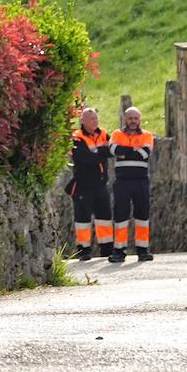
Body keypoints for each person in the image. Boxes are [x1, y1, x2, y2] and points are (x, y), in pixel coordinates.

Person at [108, 107, 154, 263]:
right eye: (130, 118)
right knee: (120, 214)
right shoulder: (116, 134)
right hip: (122, 181)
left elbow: (145, 152)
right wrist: (135, 149)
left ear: (139, 120)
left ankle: (143, 250)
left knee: (142, 214)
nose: (133, 121)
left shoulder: (147, 135)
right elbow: (113, 149)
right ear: (124, 119)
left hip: (140, 180)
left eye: (136, 118)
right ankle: (119, 251)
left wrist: (125, 151)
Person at [68, 107, 113, 261]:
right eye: (92, 118)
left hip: (100, 184)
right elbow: (83, 158)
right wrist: (101, 154)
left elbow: (111, 151)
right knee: (83, 219)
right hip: (83, 185)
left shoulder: (103, 134)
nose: (95, 121)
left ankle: (107, 249)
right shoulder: (77, 136)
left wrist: (97, 154)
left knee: (104, 218)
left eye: (96, 118)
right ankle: (83, 250)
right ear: (83, 120)